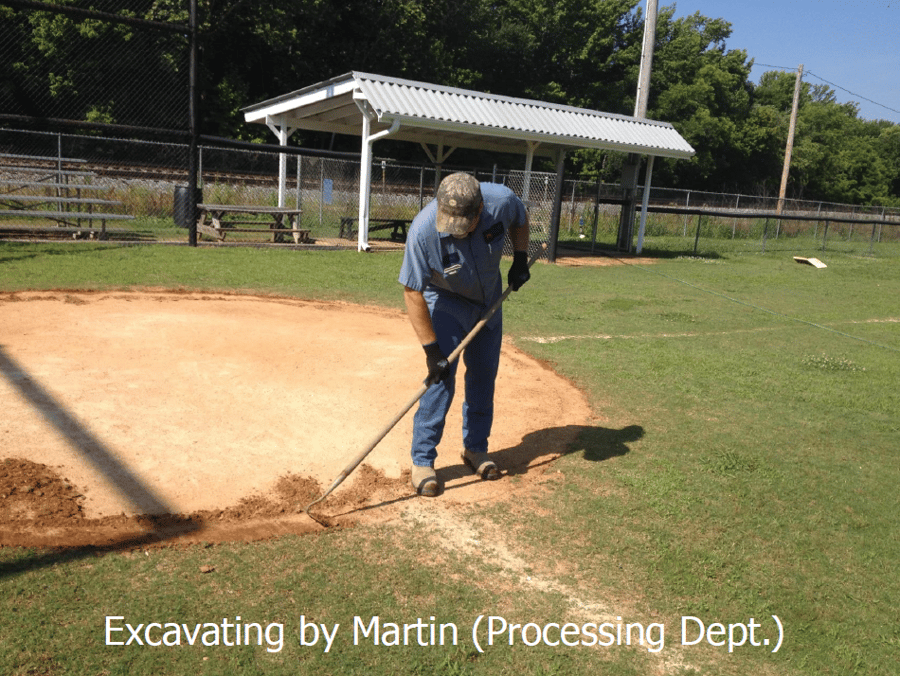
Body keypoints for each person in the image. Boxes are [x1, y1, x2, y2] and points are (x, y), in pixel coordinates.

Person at [398, 172, 531, 497]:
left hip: (489, 300)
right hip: (446, 301)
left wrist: (521, 258)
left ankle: (475, 448)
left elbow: (521, 218)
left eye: (464, 225)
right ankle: (422, 461)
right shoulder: (423, 230)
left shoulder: (501, 201)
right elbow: (412, 291)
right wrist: (433, 352)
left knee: (484, 374)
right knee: (441, 380)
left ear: (480, 210)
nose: (456, 232)